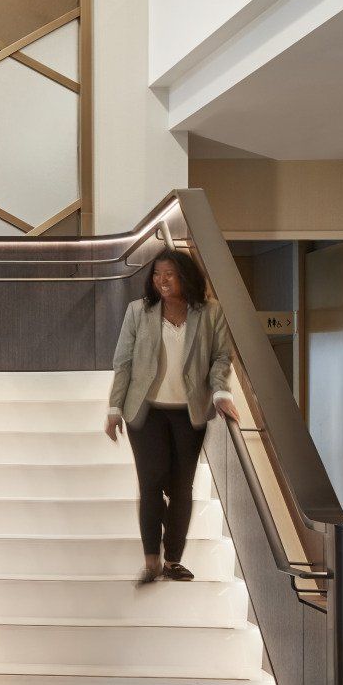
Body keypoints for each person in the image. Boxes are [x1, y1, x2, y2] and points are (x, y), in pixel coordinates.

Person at [103, 249, 238, 584]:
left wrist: (221, 393)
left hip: (188, 413)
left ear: (186, 277)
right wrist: (114, 408)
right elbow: (124, 362)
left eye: (170, 274)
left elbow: (221, 357)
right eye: (157, 274)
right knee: (151, 482)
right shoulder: (139, 311)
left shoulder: (210, 313)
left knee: (181, 487)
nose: (161, 281)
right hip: (145, 410)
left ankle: (172, 560)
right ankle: (151, 561)